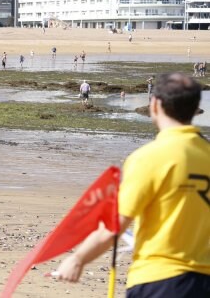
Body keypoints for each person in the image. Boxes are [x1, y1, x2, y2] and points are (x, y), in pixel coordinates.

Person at [56, 73, 210, 298]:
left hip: (158, 280)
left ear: (155, 104)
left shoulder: (148, 158)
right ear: (196, 108)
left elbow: (115, 226)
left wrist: (78, 259)